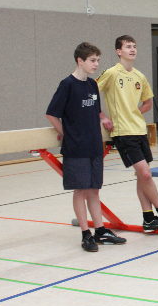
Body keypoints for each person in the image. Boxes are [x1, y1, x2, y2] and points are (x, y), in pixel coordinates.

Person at [46, 42, 126, 252]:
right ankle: (85, 234)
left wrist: (104, 119)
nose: (96, 64)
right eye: (92, 60)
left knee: (94, 190)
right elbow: (51, 113)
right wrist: (66, 133)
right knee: (80, 190)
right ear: (79, 61)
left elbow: (95, 111)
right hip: (76, 148)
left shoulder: (92, 85)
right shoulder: (67, 84)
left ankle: (100, 230)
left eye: (98, 60)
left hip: (94, 145)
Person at [97, 35, 158, 233]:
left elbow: (148, 102)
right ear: (119, 51)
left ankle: (148, 218)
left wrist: (134, 113)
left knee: (142, 176)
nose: (132, 49)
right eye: (128, 46)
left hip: (139, 130)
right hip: (123, 132)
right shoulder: (111, 73)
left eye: (134, 46)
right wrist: (102, 116)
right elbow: (90, 93)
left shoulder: (139, 76)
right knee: (145, 173)